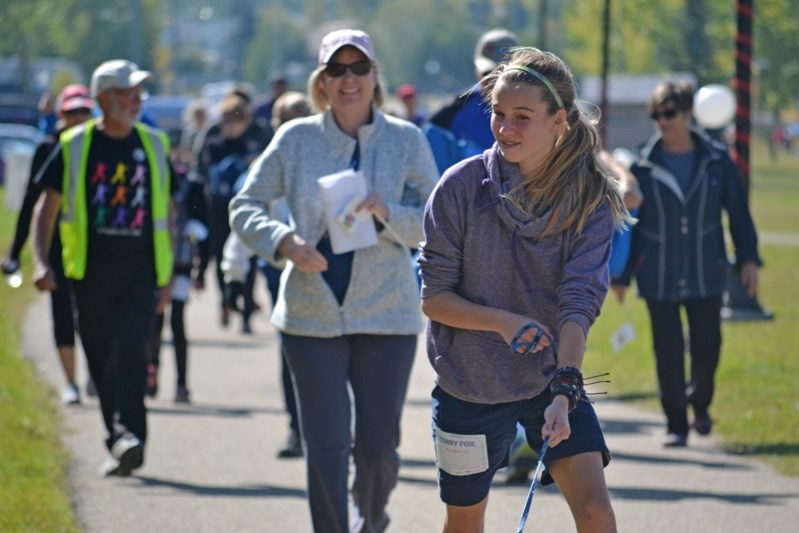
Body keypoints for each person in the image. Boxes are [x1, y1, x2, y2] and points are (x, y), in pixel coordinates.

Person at [229, 29, 438, 532]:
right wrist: (283, 241)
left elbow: (437, 219)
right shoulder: (296, 138)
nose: (349, 80)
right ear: (322, 81)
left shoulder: (406, 139)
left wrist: (389, 211)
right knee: (325, 442)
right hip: (310, 314)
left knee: (376, 448)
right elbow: (245, 205)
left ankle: (372, 518)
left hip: (387, 313)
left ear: (374, 76)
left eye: (358, 68)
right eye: (336, 70)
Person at [418, 47, 629, 532]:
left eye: (522, 118)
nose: (505, 128)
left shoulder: (590, 196)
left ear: (559, 121)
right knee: (465, 524)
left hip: (548, 381)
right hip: (467, 384)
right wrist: (503, 322)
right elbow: (433, 298)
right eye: (498, 114)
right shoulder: (459, 188)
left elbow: (580, 300)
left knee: (596, 512)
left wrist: (565, 383)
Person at [31, 59, 176, 477]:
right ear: (103, 100)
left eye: (139, 93)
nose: (136, 101)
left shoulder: (154, 143)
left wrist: (171, 274)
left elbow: (167, 208)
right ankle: (117, 437)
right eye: (128, 93)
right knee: (101, 360)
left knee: (132, 355)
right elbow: (47, 210)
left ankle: (130, 435)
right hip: (88, 275)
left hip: (141, 273)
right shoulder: (74, 145)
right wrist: (41, 261)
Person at [611, 81, 761, 447]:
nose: (662, 121)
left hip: (706, 268)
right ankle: (676, 423)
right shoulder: (643, 164)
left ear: (688, 114)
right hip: (657, 271)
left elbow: (737, 213)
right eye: (657, 115)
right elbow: (633, 224)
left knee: (708, 345)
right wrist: (622, 275)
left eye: (669, 113)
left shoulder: (716, 159)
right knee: (668, 349)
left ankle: (700, 404)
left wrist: (748, 259)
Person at [1, 84, 95, 404]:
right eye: (72, 112)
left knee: (93, 316)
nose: (79, 118)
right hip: (56, 244)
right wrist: (16, 252)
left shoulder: (101, 146)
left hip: (93, 247)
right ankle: (71, 383)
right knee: (63, 314)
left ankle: (95, 373)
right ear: (60, 116)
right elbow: (31, 202)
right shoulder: (48, 149)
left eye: (85, 111)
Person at [200, 92, 271, 332]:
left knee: (247, 257)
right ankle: (226, 301)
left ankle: (247, 314)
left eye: (235, 121)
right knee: (221, 257)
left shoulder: (256, 140)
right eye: (226, 121)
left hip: (246, 206)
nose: (230, 127)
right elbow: (204, 173)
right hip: (219, 208)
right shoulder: (214, 142)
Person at [146, 136, 210, 403]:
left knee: (177, 323)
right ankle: (151, 374)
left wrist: (201, 270)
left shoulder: (193, 186)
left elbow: (204, 227)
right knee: (154, 324)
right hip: (156, 265)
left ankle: (182, 383)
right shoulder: (152, 181)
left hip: (182, 265)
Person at [428, 28, 519, 153]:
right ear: (475, 65)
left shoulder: (541, 109)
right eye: (487, 72)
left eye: (502, 73)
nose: (494, 80)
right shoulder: (448, 114)